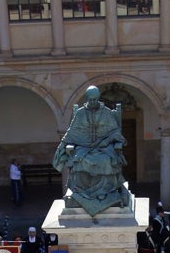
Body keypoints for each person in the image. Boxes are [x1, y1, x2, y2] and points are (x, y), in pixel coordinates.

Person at [52, 85, 128, 216]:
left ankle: (106, 190)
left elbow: (115, 132)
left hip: (104, 148)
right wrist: (63, 145)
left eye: (95, 99)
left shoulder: (106, 112)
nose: (93, 102)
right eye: (90, 99)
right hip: (84, 147)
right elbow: (72, 132)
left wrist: (106, 141)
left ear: (98, 98)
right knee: (79, 159)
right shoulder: (81, 113)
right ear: (87, 99)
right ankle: (81, 191)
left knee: (105, 160)